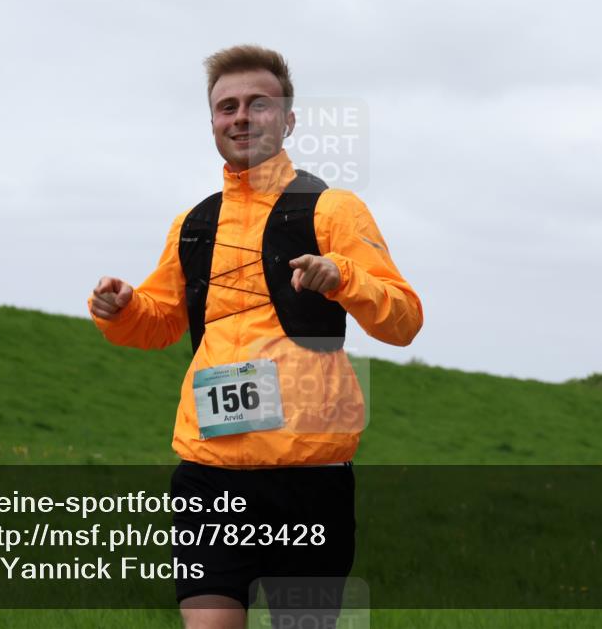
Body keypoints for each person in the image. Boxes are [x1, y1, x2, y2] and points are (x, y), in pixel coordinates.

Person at [88, 44, 423, 629]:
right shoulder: (194, 224)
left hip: (307, 480)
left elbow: (403, 319)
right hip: (208, 475)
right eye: (227, 107)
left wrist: (343, 277)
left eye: (258, 104)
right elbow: (160, 321)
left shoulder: (332, 210)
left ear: (288, 119)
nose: (240, 116)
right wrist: (119, 309)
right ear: (213, 122)